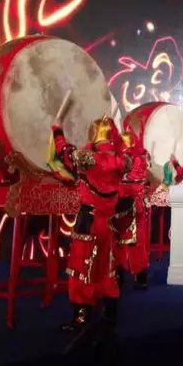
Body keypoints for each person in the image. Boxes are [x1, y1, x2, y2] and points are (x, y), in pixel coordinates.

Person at [52, 115, 128, 334]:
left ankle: (82, 314)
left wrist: (57, 130)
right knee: (108, 266)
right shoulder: (121, 160)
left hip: (89, 221)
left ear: (93, 132)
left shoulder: (87, 157)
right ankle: (110, 312)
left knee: (82, 266)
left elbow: (64, 151)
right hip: (110, 222)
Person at [112, 131, 151, 290]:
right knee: (126, 241)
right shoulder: (132, 156)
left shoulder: (136, 157)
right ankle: (129, 275)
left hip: (129, 204)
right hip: (124, 204)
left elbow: (135, 178)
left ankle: (132, 275)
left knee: (131, 241)